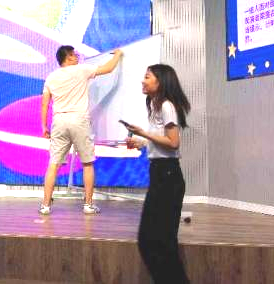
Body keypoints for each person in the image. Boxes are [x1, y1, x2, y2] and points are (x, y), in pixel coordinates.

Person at [125, 64, 191, 284]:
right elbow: (162, 141)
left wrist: (144, 134)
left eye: (147, 77)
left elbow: (173, 142)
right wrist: (142, 142)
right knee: (152, 241)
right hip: (160, 174)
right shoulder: (155, 106)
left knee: (157, 242)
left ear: (160, 81)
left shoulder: (167, 106)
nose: (142, 81)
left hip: (168, 176)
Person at [39, 46, 123, 215]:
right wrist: (118, 55)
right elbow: (108, 68)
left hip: (59, 121)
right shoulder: (81, 70)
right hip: (79, 120)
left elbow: (44, 104)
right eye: (75, 55)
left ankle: (45, 206)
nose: (77, 57)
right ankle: (88, 205)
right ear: (69, 57)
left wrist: (44, 126)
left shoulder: (51, 77)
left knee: (53, 164)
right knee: (87, 163)